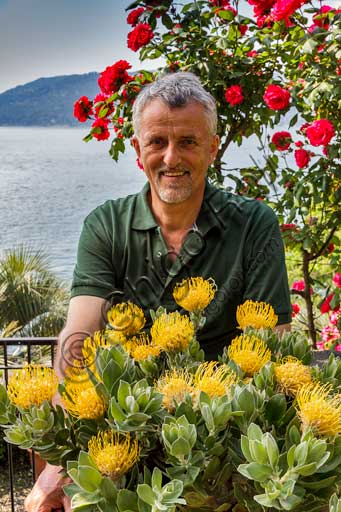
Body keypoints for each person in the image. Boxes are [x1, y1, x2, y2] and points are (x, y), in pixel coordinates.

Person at [25, 71, 291, 511]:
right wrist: (64, 459)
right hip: (123, 440)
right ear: (137, 150)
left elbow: (272, 344)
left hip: (223, 446)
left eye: (188, 141)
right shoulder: (106, 225)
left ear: (213, 148)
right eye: (157, 142)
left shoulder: (253, 225)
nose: (171, 157)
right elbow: (80, 333)